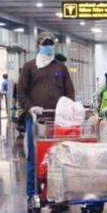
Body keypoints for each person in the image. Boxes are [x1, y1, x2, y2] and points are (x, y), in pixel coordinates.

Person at [18, 35, 75, 202]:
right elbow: (21, 92)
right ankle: (32, 193)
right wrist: (30, 108)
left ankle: (60, 190)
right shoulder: (29, 67)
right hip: (36, 121)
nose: (48, 46)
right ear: (38, 45)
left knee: (60, 155)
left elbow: (69, 91)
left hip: (58, 120)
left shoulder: (61, 68)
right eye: (45, 44)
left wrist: (67, 107)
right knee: (34, 156)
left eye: (51, 44)